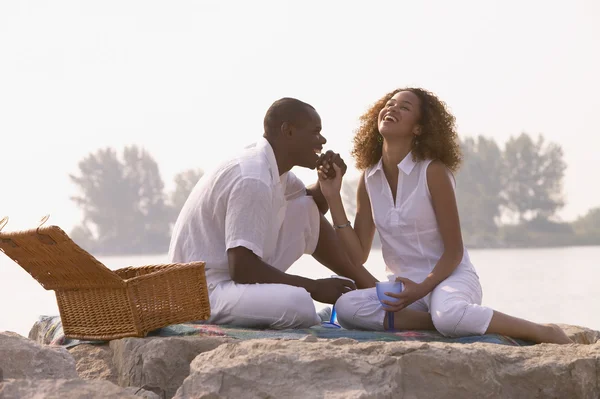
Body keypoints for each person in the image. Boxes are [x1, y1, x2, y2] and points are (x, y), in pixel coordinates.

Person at [317, 88, 572, 344]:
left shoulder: (433, 172)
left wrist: (423, 288)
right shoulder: (369, 178)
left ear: (418, 128)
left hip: (450, 278)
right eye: (390, 104)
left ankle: (541, 331)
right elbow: (358, 254)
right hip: (405, 289)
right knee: (348, 307)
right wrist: (332, 196)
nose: (392, 108)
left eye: (404, 107)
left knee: (449, 314)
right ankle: (439, 322)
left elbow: (454, 252)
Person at [169, 97, 378, 329]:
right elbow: (242, 269)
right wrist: (316, 287)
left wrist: (325, 183)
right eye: (315, 132)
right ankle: (321, 315)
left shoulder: (275, 168)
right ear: (288, 131)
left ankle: (372, 289)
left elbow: (312, 212)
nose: (322, 140)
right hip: (204, 292)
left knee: (306, 208)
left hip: (231, 280)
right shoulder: (253, 177)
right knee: (299, 303)